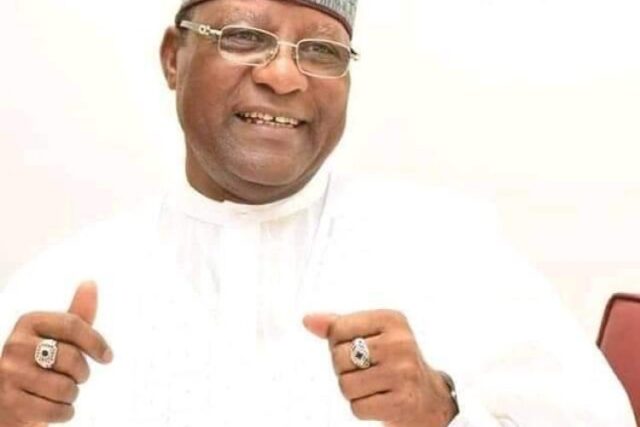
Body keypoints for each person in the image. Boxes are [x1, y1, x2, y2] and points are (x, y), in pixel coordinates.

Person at [0, 0, 634, 426]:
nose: (284, 77)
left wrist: (444, 412)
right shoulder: (57, 293)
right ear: (174, 57)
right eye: (244, 38)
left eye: (322, 52)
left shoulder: (451, 252)